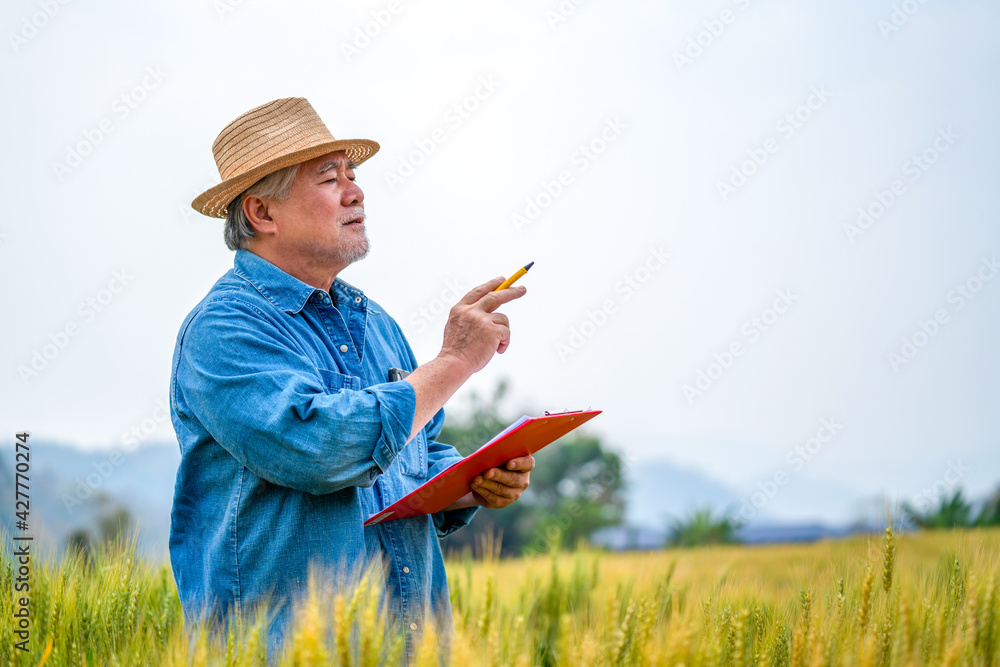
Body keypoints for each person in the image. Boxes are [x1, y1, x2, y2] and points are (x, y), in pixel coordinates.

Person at [168, 97, 532, 658]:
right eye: (329, 177)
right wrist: (455, 361)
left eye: (353, 174)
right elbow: (320, 450)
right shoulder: (224, 329)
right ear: (263, 214)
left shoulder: (374, 321)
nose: (355, 191)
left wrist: (471, 480)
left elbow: (414, 451)